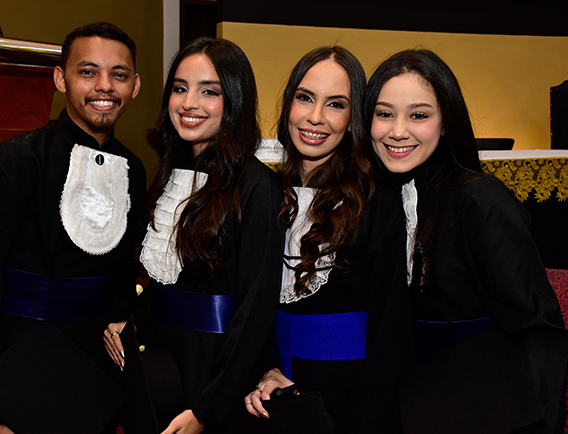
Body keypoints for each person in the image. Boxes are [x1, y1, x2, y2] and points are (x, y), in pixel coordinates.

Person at [0, 22, 146, 434]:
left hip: (98, 371)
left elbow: (124, 271)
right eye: (88, 71)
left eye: (119, 74)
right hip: (18, 361)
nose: (105, 86)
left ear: (135, 86)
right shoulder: (14, 160)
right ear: (60, 79)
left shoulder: (135, 168)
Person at [364, 49, 568, 434]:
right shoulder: (373, 201)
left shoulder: (481, 199)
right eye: (384, 113)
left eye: (419, 115)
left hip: (484, 408)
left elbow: (539, 330)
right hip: (400, 405)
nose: (397, 131)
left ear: (446, 123)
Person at [111, 37, 283, 434]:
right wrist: (127, 323)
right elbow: (168, 283)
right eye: (180, 88)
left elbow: (255, 311)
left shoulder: (256, 185)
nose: (189, 103)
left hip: (215, 374)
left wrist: (207, 409)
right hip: (160, 365)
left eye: (210, 92)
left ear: (235, 100)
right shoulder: (169, 175)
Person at [244, 47, 409, 434]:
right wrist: (268, 369)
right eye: (305, 98)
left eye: (335, 104)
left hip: (349, 400)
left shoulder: (377, 201)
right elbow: (250, 306)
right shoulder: (266, 192)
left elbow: (391, 330)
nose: (315, 117)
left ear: (354, 119)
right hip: (270, 395)